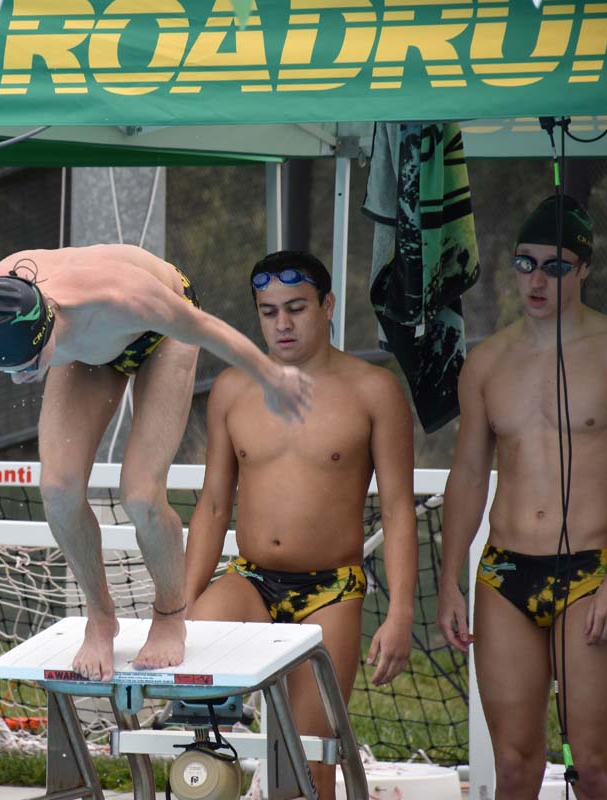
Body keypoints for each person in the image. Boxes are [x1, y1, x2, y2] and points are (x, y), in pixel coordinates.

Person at [0, 244, 312, 681]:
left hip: (161, 338)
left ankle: (169, 614)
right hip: (91, 354)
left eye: (32, 365)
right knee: (57, 489)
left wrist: (272, 376)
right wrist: (38, 359)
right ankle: (100, 616)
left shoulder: (124, 296)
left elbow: (206, 329)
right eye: (10, 371)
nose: (22, 379)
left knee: (141, 495)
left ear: (48, 324)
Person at [184, 251, 417, 800]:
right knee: (194, 725)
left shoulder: (373, 390)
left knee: (310, 768)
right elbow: (214, 505)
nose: (282, 324)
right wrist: (182, 606)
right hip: (248, 581)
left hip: (330, 591)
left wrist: (402, 612)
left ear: (327, 306)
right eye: (268, 312)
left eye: (296, 308)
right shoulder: (233, 390)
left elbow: (399, 508)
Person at [437, 195, 607, 799]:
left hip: (591, 575)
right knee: (516, 766)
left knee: (594, 765)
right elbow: (468, 476)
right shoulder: (488, 362)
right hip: (503, 574)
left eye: (555, 266)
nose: (537, 280)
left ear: (585, 270)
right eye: (525, 264)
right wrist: (450, 581)